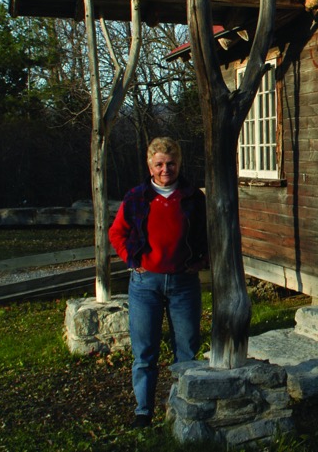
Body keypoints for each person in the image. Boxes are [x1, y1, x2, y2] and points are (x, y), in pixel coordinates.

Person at [109, 137, 208, 428]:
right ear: (150, 166)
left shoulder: (193, 197)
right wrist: (131, 258)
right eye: (160, 164)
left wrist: (201, 261)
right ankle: (144, 411)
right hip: (145, 285)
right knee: (144, 352)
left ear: (179, 163)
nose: (166, 169)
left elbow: (208, 233)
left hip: (184, 284)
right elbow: (117, 233)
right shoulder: (137, 197)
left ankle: (182, 407)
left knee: (187, 350)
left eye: (171, 163)